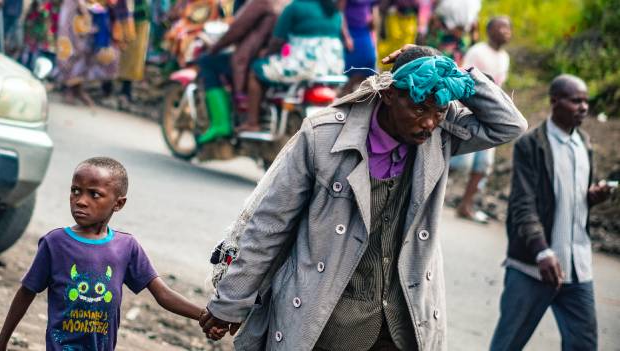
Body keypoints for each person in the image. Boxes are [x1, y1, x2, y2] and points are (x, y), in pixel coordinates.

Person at [199, 45, 527, 350]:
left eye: (439, 111)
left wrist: (455, 70)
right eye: (418, 108)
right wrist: (231, 301)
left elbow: (509, 124)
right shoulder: (324, 137)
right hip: (327, 324)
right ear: (387, 95)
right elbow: (270, 224)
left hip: (399, 326)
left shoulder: (439, 137)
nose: (428, 122)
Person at [0, 157, 205, 350]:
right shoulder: (55, 243)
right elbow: (26, 292)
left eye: (94, 194)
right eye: (75, 191)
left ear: (118, 203)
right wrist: (1, 342)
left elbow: (163, 294)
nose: (81, 201)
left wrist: (207, 316)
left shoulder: (126, 246)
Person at [490, 75, 613, 351]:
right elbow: (524, 204)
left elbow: (567, 201)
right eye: (576, 100)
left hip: (577, 268)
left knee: (584, 344)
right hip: (533, 267)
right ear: (554, 102)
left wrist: (591, 197)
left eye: (586, 101)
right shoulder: (531, 144)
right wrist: (542, 251)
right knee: (507, 343)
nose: (583, 107)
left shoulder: (585, 143)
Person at [237, 0, 345, 132]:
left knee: (256, 70)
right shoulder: (334, 11)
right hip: (332, 69)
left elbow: (277, 41)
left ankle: (252, 123)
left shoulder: (295, 7)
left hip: (304, 67)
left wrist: (266, 54)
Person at [195, 0, 290, 144]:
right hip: (277, 55)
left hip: (251, 56)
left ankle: (221, 123)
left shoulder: (263, 2)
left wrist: (216, 47)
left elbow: (237, 29)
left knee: (207, 61)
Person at [450, 16, 512, 223]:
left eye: (508, 28)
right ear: (489, 30)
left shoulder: (505, 57)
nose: (505, 31)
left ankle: (465, 205)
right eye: (500, 27)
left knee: (484, 164)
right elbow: (465, 77)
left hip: (490, 114)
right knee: (459, 162)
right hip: (470, 109)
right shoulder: (477, 51)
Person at [56, 0, 133, 106]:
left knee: (89, 48)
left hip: (95, 9)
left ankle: (78, 87)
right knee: (72, 45)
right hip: (75, 7)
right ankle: (69, 87)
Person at [116, 0, 153, 107]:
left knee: (135, 57)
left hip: (140, 19)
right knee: (123, 52)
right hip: (124, 16)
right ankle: (115, 89)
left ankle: (125, 91)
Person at [338, 0, 377, 95]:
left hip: (364, 32)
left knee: (369, 63)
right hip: (350, 31)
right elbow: (340, 12)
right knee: (349, 68)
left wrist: (373, 36)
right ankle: (345, 95)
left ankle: (359, 96)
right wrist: (346, 36)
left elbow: (372, 10)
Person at [426, 0, 481, 64]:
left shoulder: (445, 6)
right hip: (455, 43)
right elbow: (474, 29)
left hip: (447, 42)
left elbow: (434, 22)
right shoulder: (472, 4)